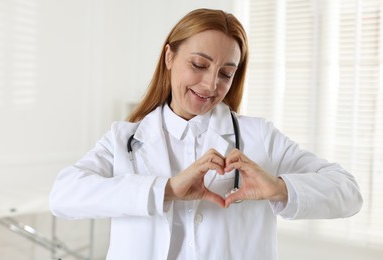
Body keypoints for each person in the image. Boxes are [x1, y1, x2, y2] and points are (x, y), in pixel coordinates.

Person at [49, 8, 363, 260]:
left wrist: (279, 188)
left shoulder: (259, 137)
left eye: (226, 73)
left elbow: (349, 193)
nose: (212, 85)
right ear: (169, 57)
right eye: (199, 64)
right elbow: (63, 196)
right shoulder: (125, 139)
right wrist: (166, 190)